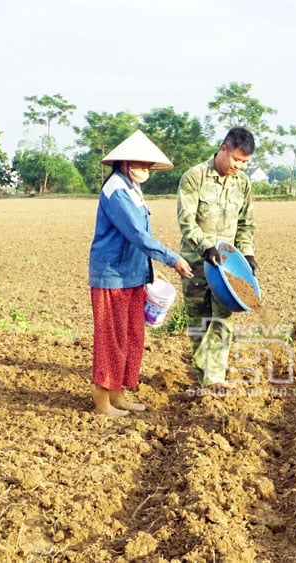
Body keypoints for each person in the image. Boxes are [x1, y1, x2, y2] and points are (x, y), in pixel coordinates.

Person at [89, 130, 194, 417]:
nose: (145, 169)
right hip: (112, 275)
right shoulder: (116, 191)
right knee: (111, 338)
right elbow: (136, 234)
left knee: (130, 336)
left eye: (149, 165)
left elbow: (139, 237)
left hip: (132, 275)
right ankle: (102, 403)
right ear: (124, 162)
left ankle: (119, 395)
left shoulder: (133, 188)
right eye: (140, 163)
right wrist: (173, 259)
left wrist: (150, 270)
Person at [176, 127, 257, 391]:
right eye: (236, 159)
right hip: (197, 263)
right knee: (199, 322)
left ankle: (216, 380)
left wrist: (247, 253)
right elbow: (186, 221)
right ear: (223, 149)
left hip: (227, 268)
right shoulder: (194, 177)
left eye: (244, 162)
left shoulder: (242, 183)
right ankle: (203, 379)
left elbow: (246, 224)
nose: (239, 166)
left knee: (223, 321)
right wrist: (206, 247)